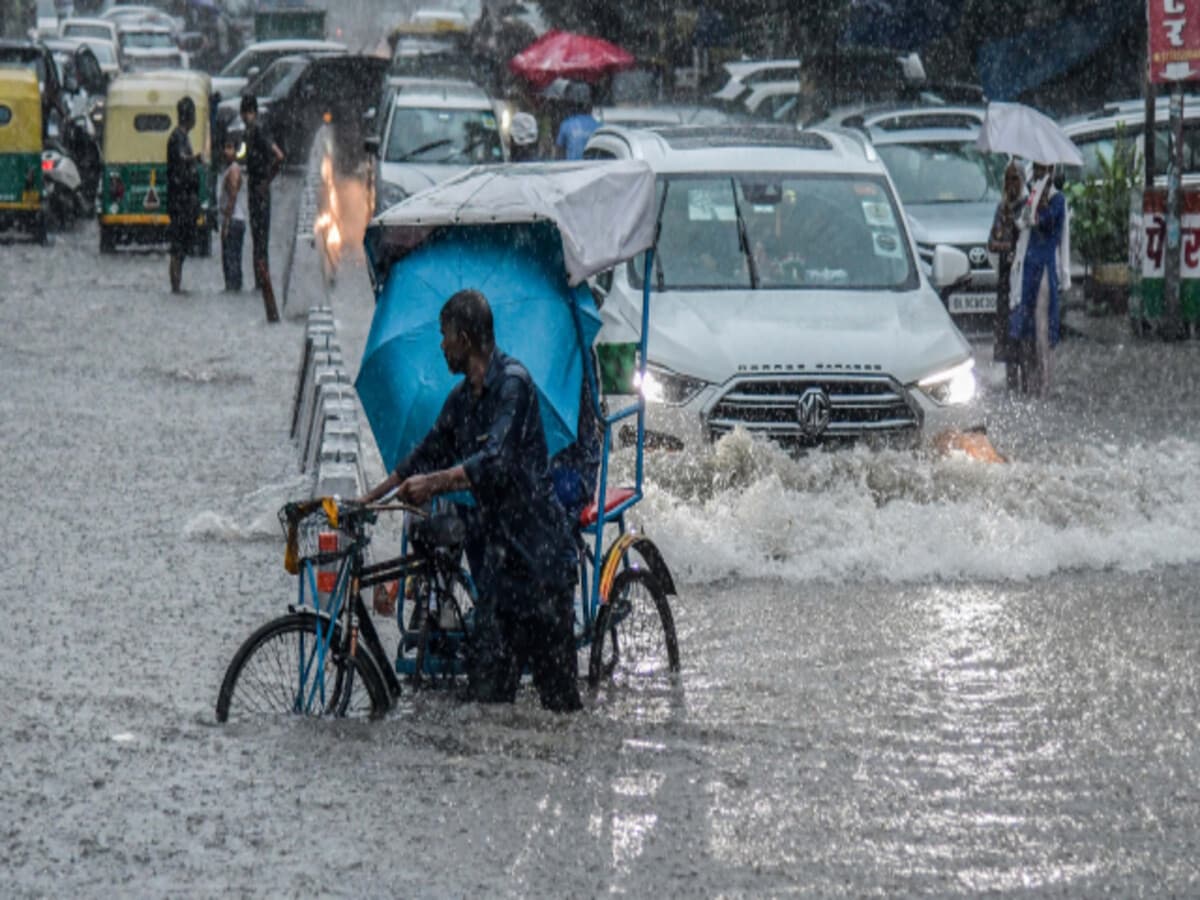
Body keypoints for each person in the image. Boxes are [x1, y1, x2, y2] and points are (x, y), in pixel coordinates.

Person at [356, 289, 582, 713]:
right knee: (487, 707)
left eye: (444, 336)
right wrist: (367, 501)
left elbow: (495, 461)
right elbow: (424, 454)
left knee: (560, 708)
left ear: (463, 338)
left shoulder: (514, 385)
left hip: (540, 566)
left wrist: (433, 485)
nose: (441, 346)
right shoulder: (461, 400)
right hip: (499, 573)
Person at [1009, 161, 1070, 398]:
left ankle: (1045, 382)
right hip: (1028, 265)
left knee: (1043, 325)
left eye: (1043, 169)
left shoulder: (1058, 200)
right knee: (1027, 323)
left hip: (1045, 265)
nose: (1039, 173)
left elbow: (1049, 226)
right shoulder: (1031, 195)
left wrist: (1065, 275)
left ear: (1051, 171)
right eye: (1036, 168)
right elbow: (1022, 223)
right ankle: (1031, 380)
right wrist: (1029, 202)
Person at [240, 93, 284, 322]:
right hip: (255, 190)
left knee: (260, 240)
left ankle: (263, 284)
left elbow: (279, 156)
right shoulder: (250, 132)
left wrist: (266, 181)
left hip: (260, 192)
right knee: (258, 240)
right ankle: (260, 283)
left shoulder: (258, 131)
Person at [987, 160, 1026, 391]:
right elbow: (992, 242)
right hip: (1005, 277)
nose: (1011, 184)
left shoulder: (1027, 207)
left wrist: (1013, 236)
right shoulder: (1002, 209)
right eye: (1008, 179)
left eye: (1015, 179)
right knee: (1006, 327)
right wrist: (1008, 245)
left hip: (1022, 275)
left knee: (1022, 328)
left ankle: (1026, 381)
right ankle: (1011, 383)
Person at [166, 95, 199, 295]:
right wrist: (194, 159)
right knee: (177, 247)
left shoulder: (183, 137)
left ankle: (177, 285)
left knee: (182, 246)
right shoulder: (177, 137)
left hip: (185, 200)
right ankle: (176, 287)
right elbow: (180, 158)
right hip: (179, 200)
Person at [217, 136, 247, 292]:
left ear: (236, 151)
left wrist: (227, 222)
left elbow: (233, 194)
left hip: (234, 221)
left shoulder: (234, 169)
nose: (226, 151)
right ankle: (233, 290)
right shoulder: (229, 169)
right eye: (225, 147)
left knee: (231, 262)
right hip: (234, 220)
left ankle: (233, 290)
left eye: (230, 148)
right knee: (231, 262)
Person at [554, 85, 599, 161]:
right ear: (590, 106)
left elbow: (559, 155)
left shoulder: (566, 125)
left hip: (572, 168)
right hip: (594, 167)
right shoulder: (599, 126)